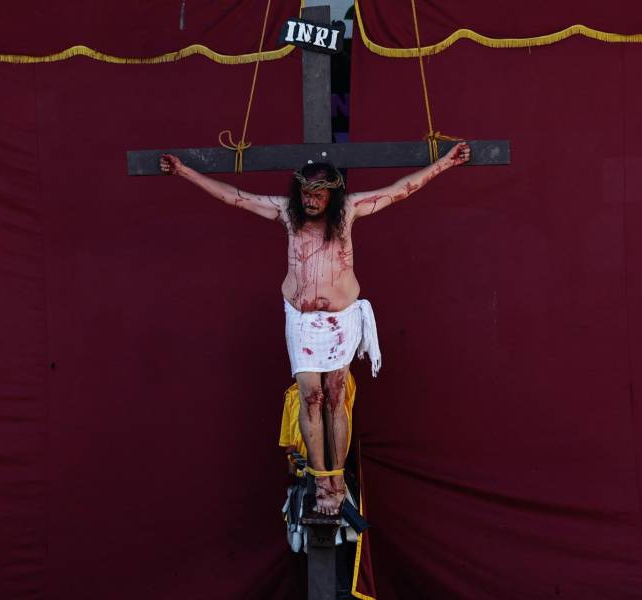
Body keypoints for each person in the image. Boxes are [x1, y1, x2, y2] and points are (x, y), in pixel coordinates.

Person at [159, 142, 471, 515]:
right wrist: (183, 172)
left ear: (332, 196)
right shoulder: (288, 215)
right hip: (302, 319)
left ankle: (336, 479)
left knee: (336, 395)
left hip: (341, 319)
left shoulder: (347, 213)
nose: (309, 201)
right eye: (305, 194)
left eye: (317, 195)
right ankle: (321, 479)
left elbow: (399, 190)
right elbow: (235, 197)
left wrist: (444, 164)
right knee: (312, 397)